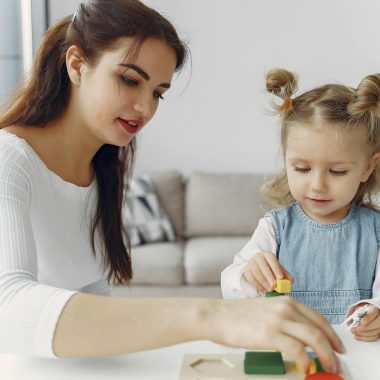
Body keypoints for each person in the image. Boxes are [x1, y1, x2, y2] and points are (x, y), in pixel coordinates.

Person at [0, 1, 345, 374]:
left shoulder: (101, 169)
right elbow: (8, 307)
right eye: (130, 80)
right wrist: (209, 316)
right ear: (77, 65)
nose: (145, 108)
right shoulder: (10, 159)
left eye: (157, 93)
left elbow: (93, 300)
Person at [221, 68, 380, 342]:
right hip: (289, 348)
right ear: (287, 161)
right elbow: (230, 287)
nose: (317, 185)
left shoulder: (375, 230)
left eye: (338, 171)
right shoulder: (275, 227)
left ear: (367, 167)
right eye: (303, 168)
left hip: (355, 354)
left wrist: (376, 312)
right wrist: (250, 274)